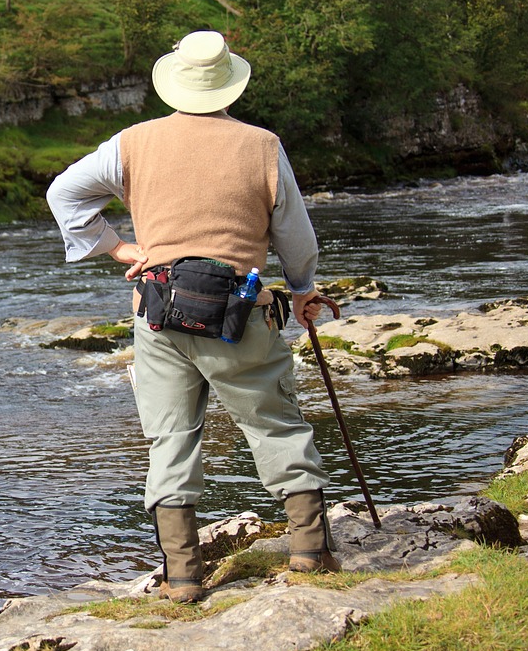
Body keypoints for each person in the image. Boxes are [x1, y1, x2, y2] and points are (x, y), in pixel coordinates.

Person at [45, 30, 339, 603]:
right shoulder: (262, 145)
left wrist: (119, 248)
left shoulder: (130, 144)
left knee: (170, 440)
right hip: (243, 316)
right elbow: (295, 237)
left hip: (158, 317)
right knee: (275, 426)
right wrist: (303, 290)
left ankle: (182, 578)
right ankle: (310, 551)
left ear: (174, 82)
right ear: (230, 84)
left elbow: (64, 195)